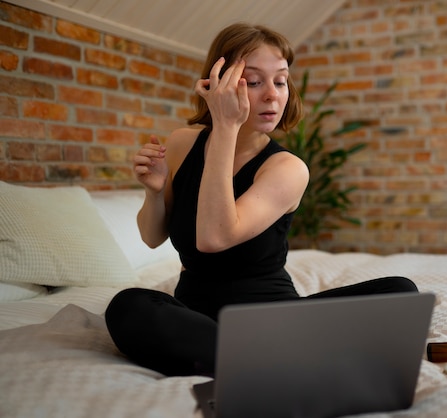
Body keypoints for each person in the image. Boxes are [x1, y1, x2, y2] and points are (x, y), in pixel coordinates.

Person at [105, 22, 417, 377]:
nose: (272, 95)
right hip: (195, 316)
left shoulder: (287, 168)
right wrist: (155, 191)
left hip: (275, 320)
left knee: (400, 292)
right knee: (126, 306)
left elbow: (214, 237)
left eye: (280, 81)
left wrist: (225, 127)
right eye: (254, 82)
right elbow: (152, 237)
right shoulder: (181, 143)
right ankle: (264, 360)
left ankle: (243, 359)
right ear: (218, 84)